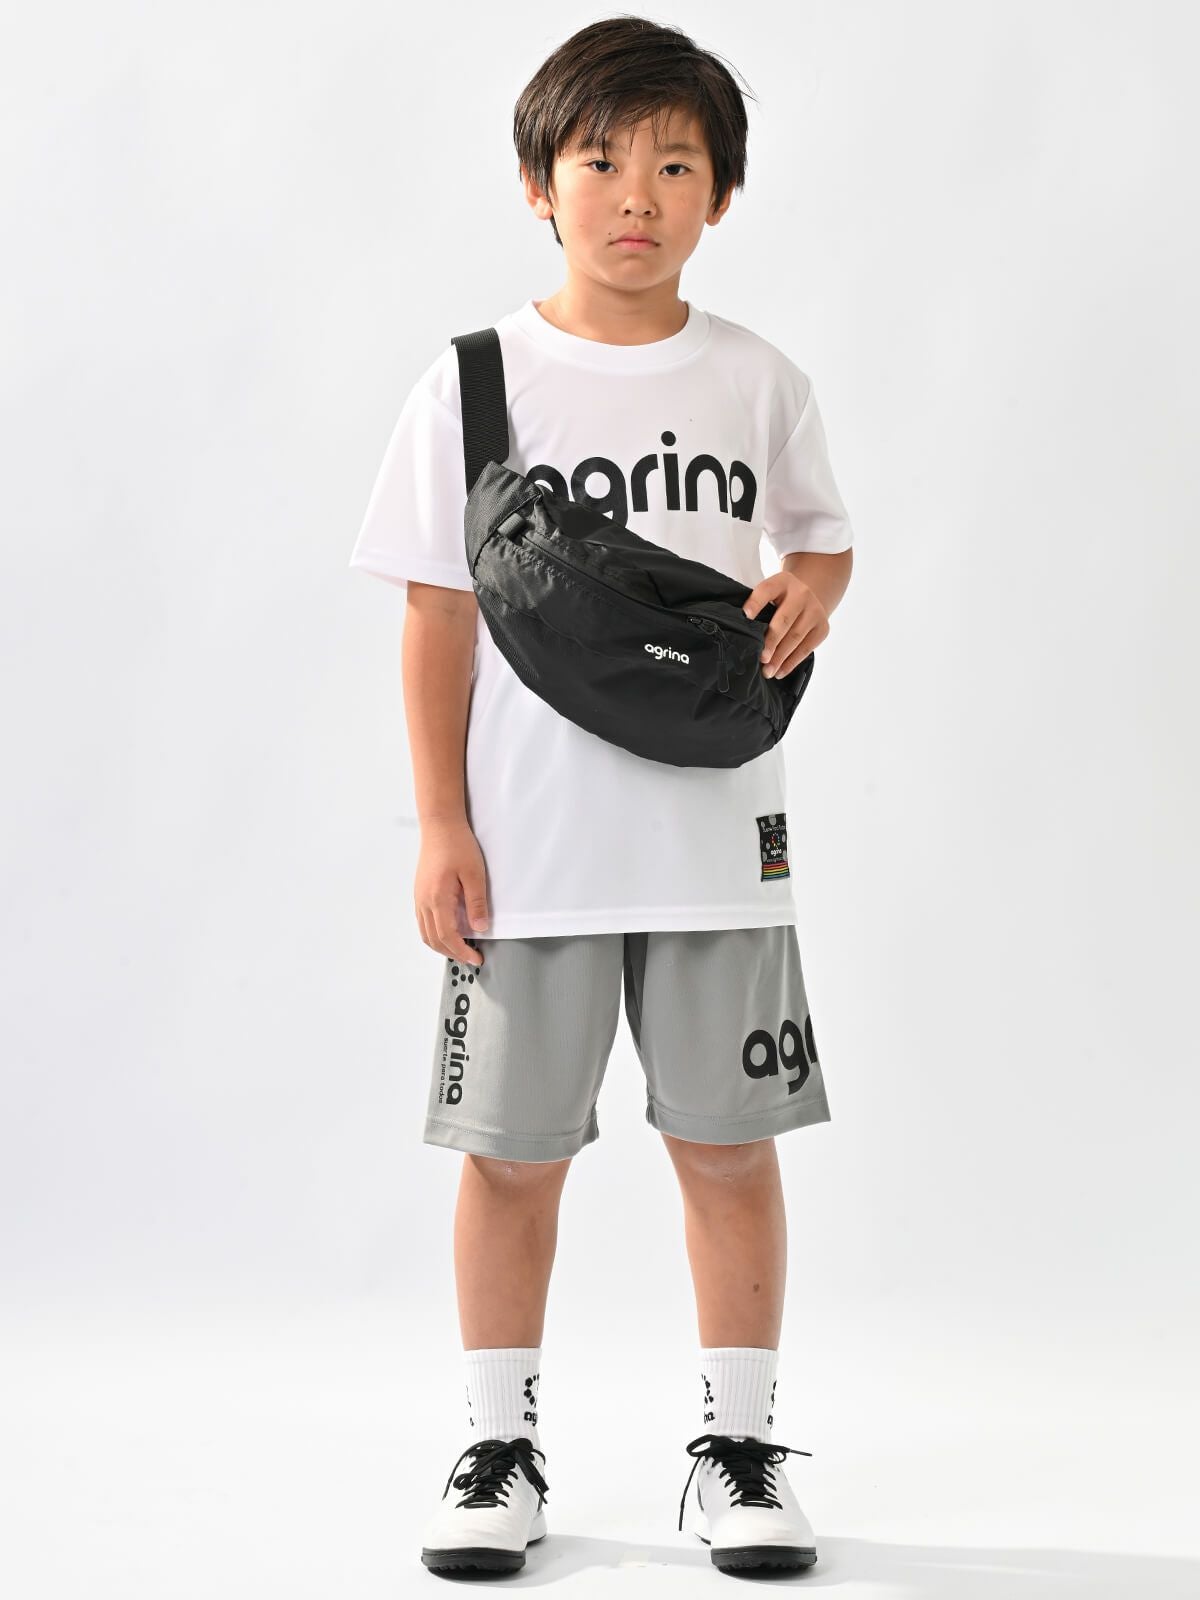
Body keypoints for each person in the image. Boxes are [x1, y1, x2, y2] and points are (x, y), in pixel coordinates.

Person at [348, 16, 855, 1579]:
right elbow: (435, 612)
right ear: (538, 184)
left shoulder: (758, 378)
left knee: (730, 1150)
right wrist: (443, 823)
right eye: (601, 159)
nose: (638, 194)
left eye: (677, 165)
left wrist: (815, 587)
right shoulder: (474, 384)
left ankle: (741, 1452)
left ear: (721, 194)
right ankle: (497, 1449)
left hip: (719, 839)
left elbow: (823, 539)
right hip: (533, 851)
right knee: (512, 1159)